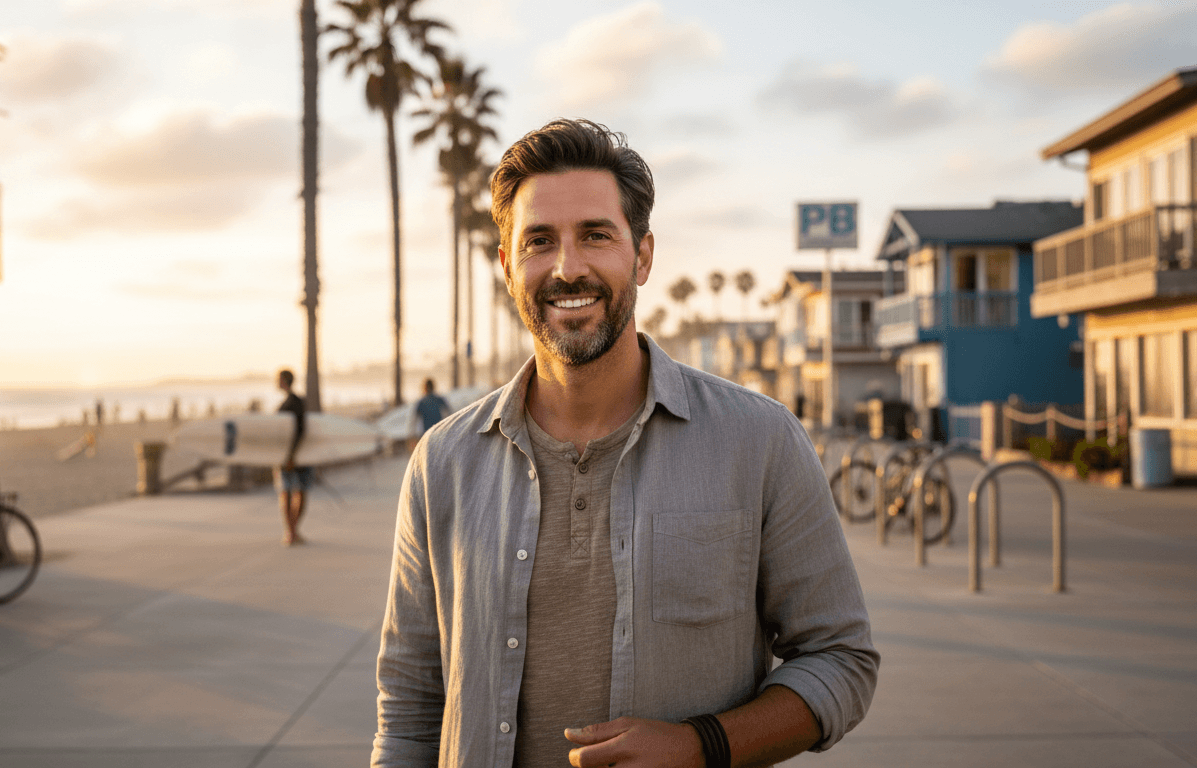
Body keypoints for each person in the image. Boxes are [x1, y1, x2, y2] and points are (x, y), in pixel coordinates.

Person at [373, 119, 877, 768]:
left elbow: (841, 658)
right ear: (507, 265)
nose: (567, 267)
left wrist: (704, 744)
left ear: (642, 255)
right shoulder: (442, 465)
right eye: (539, 241)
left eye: (595, 235)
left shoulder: (760, 440)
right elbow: (410, 706)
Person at [276, 369, 313, 546]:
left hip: (292, 456)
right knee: (293, 492)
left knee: (292, 492)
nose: (276, 382)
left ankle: (291, 532)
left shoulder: (293, 403)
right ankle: (292, 532)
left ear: (284, 381)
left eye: (278, 379)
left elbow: (299, 431)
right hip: (292, 455)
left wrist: (290, 456)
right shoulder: (294, 402)